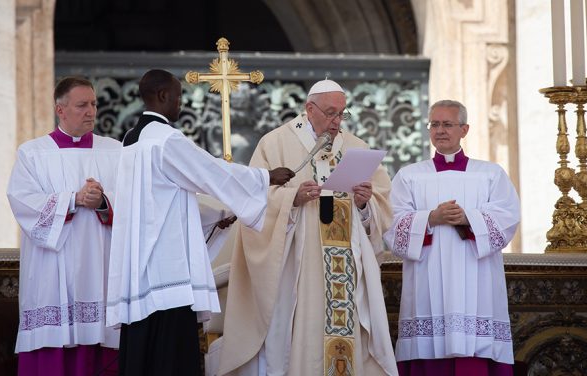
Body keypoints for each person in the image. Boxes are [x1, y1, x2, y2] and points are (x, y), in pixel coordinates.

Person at [105, 69, 294, 375]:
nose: (181, 104)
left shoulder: (131, 139)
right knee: (170, 356)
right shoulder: (166, 139)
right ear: (163, 95)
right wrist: (264, 177)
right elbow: (209, 172)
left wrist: (216, 216)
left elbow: (159, 203)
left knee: (144, 355)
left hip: (139, 267)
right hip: (166, 272)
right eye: (178, 97)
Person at [217, 79, 398, 376]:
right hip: (297, 270)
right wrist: (293, 198)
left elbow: (381, 209)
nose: (337, 121)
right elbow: (252, 202)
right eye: (330, 113)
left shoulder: (357, 147)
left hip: (346, 272)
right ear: (309, 109)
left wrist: (365, 204)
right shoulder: (274, 144)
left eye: (342, 114)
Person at [383, 100, 520, 375]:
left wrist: (468, 218)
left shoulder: (490, 174)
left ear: (464, 129)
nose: (440, 130)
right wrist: (431, 218)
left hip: (477, 278)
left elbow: (508, 218)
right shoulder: (409, 176)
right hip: (427, 278)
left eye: (447, 124)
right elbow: (390, 224)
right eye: (434, 124)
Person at [7, 76, 121, 375]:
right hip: (52, 270)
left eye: (94, 104)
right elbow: (22, 200)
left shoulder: (116, 151)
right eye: (82, 105)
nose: (91, 112)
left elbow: (136, 205)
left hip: (102, 267)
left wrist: (103, 202)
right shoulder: (32, 153)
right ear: (61, 110)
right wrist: (72, 200)